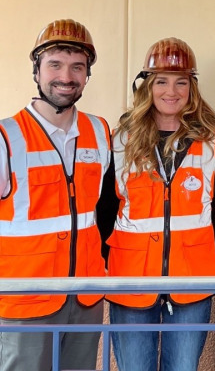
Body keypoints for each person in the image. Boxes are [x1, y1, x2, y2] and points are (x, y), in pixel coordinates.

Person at [96, 37, 215, 371]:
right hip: (130, 279)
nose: (171, 91)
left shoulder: (212, 141)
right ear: (147, 86)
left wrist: (203, 256)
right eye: (161, 82)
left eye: (180, 82)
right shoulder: (120, 140)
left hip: (192, 280)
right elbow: (104, 209)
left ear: (192, 87)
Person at [0, 19, 111, 371]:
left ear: (87, 74)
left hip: (85, 297)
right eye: (55, 64)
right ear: (36, 70)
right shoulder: (6, 137)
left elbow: (104, 209)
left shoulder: (100, 131)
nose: (66, 76)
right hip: (24, 302)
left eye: (77, 66)